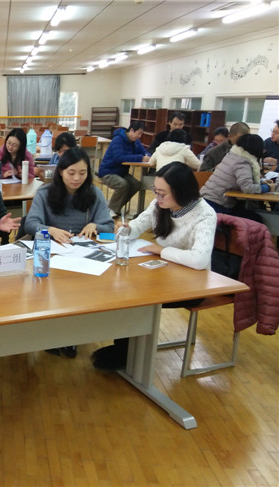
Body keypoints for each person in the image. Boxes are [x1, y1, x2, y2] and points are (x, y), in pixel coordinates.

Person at [92, 161, 218, 370]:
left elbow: (199, 260)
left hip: (192, 285)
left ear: (181, 192)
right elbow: (138, 225)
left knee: (135, 296)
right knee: (123, 288)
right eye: (155, 191)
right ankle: (126, 350)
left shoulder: (204, 214)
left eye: (162, 194)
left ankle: (127, 354)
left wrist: (161, 251)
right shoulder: (160, 205)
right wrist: (125, 229)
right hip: (163, 274)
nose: (157, 198)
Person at [25, 148, 113, 359]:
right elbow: (30, 223)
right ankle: (51, 334)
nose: (76, 178)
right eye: (71, 172)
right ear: (61, 171)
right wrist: (50, 230)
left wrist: (95, 225)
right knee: (51, 290)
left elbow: (109, 226)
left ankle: (71, 335)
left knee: (80, 290)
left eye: (82, 173)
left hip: (82, 256)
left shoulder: (94, 193)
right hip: (51, 256)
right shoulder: (45, 193)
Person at [200, 134, 275, 223]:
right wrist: (267, 188)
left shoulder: (232, 156)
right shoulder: (242, 162)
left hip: (206, 200)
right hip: (217, 205)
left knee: (247, 212)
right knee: (256, 219)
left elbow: (241, 181)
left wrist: (261, 183)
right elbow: (247, 187)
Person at [97, 121, 150, 217]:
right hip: (108, 172)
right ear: (132, 130)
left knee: (136, 185)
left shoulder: (135, 141)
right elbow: (119, 158)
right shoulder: (118, 140)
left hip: (122, 173)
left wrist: (148, 156)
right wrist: (140, 158)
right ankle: (111, 209)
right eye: (139, 133)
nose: (139, 136)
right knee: (122, 184)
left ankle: (113, 207)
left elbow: (144, 152)